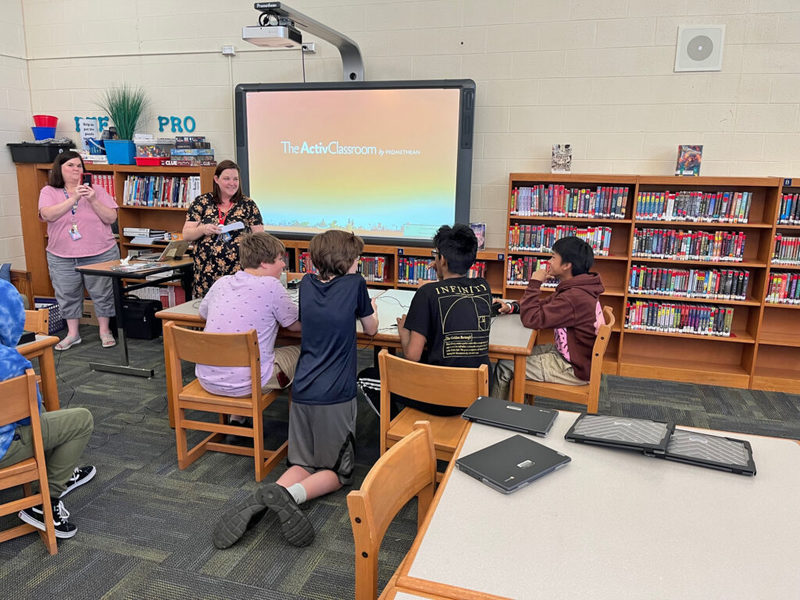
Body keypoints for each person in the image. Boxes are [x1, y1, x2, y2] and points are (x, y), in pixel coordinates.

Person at [213, 230, 378, 550]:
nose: (358, 264)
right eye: (357, 259)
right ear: (348, 262)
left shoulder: (306, 284)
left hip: (302, 391)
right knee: (338, 473)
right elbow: (370, 329)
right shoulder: (356, 284)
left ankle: (267, 497)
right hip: (336, 397)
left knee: (301, 464)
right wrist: (368, 306)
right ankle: (291, 496)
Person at [0, 279, 95, 539]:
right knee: (80, 420)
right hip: (4, 450)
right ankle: (47, 499)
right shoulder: (12, 363)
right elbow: (34, 420)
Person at [196, 232, 300, 421]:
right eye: (279, 259)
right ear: (264, 262)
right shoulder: (272, 286)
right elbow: (294, 326)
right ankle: (299, 428)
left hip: (207, 379)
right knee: (304, 352)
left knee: (249, 352)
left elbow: (202, 314)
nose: (284, 265)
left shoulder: (222, 283)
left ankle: (237, 418)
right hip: (249, 384)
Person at [393, 223, 493, 415]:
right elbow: (452, 292)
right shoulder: (483, 287)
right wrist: (442, 273)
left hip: (439, 397)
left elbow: (412, 355)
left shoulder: (426, 293)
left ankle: (403, 429)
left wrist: (404, 331)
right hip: (478, 396)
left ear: (443, 260)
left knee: (369, 378)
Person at [491, 236, 605, 400]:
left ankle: (493, 415)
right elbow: (544, 306)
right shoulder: (576, 288)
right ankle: (508, 407)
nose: (549, 262)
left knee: (505, 365)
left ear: (566, 265)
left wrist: (535, 283)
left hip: (571, 368)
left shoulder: (574, 297)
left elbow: (532, 319)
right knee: (512, 357)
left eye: (553, 257)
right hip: (572, 356)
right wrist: (512, 307)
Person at [38, 150, 119, 350]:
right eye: (70, 165)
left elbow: (111, 218)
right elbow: (48, 215)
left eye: (79, 165)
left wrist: (92, 199)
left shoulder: (97, 190)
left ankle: (104, 331)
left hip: (100, 252)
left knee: (102, 293)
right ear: (60, 169)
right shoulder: (49, 191)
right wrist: (73, 198)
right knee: (67, 294)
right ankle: (73, 334)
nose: (76, 169)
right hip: (62, 255)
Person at [182, 160, 264, 298]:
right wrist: (203, 229)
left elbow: (260, 237)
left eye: (235, 179)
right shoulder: (202, 202)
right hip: (206, 274)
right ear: (216, 179)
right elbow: (186, 234)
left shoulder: (248, 204)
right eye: (227, 178)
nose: (232, 183)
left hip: (239, 273)